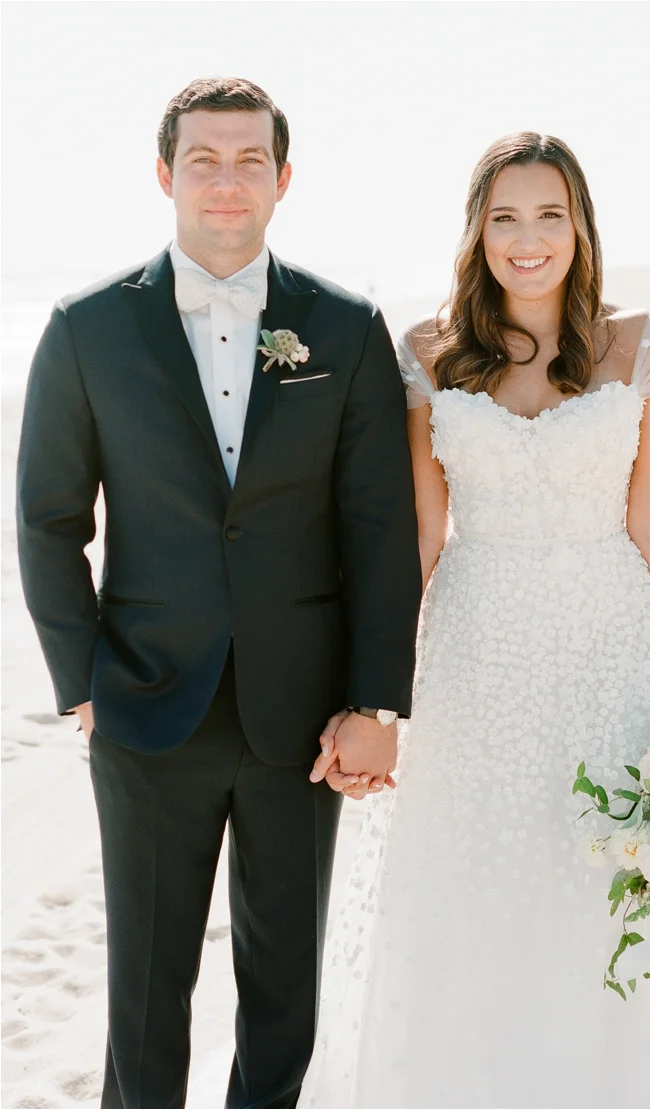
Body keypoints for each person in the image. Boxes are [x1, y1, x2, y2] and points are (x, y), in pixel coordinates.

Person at [299, 132, 650, 1107]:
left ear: (579, 227)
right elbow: (420, 533)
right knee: (476, 892)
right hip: (475, 654)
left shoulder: (647, 346)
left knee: (602, 891)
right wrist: (375, 698)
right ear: (477, 230)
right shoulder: (426, 354)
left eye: (549, 215)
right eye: (505, 216)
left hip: (611, 650)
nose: (527, 238)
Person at [14, 77, 421, 1108]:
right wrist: (84, 683)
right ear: (165, 174)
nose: (226, 180)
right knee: (146, 999)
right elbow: (49, 522)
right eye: (204, 158)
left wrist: (376, 704)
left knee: (285, 996)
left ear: (284, 180)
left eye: (249, 160)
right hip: (145, 706)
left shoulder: (344, 326)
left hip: (306, 718)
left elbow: (380, 532)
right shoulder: (87, 328)